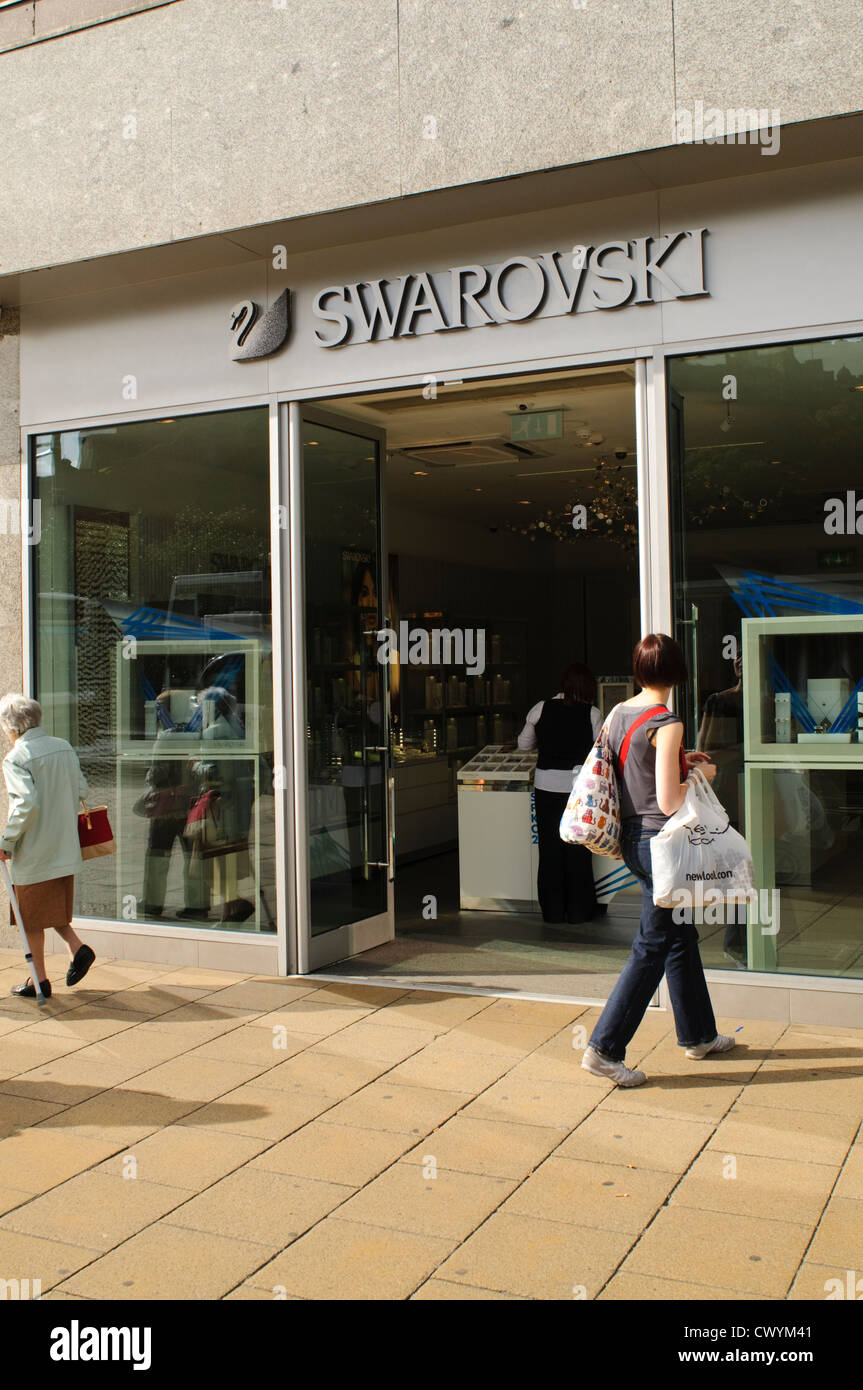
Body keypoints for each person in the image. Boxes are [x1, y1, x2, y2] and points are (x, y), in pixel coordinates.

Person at [582, 634, 732, 1087]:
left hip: (631, 838)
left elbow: (635, 771)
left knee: (678, 935)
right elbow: (668, 800)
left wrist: (682, 762)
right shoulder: (668, 722)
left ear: (639, 670)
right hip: (659, 841)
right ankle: (603, 1050)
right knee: (652, 944)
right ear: (678, 673)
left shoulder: (618, 713)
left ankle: (699, 1035)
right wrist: (701, 774)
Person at [0, 694, 95, 999]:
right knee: (48, 911)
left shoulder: (16, 758)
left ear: (10, 727)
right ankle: (76, 949)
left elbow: (24, 805)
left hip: (35, 851)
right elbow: (81, 788)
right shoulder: (63, 746)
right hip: (64, 847)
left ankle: (39, 981)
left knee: (29, 916)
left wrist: (6, 842)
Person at [518, 663, 603, 924]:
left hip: (545, 788)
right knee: (577, 849)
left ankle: (553, 911)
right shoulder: (592, 713)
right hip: (578, 791)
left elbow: (524, 744)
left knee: (550, 849)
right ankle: (579, 910)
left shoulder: (540, 708)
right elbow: (601, 750)